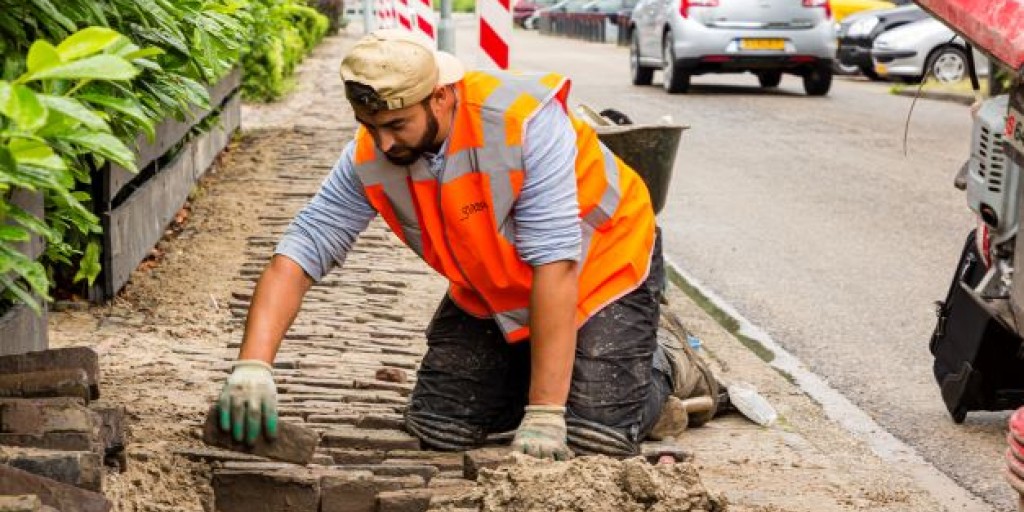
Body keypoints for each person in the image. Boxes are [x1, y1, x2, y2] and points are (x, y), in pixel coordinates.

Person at [217, 29, 717, 460]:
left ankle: (665, 362)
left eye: (396, 125)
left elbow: (556, 263)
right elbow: (303, 249)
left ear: (441, 96)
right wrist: (253, 367)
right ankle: (555, 368)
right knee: (442, 428)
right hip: (498, 284)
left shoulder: (522, 124)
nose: (384, 144)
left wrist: (544, 413)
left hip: (599, 266)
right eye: (370, 127)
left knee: (593, 437)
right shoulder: (370, 155)